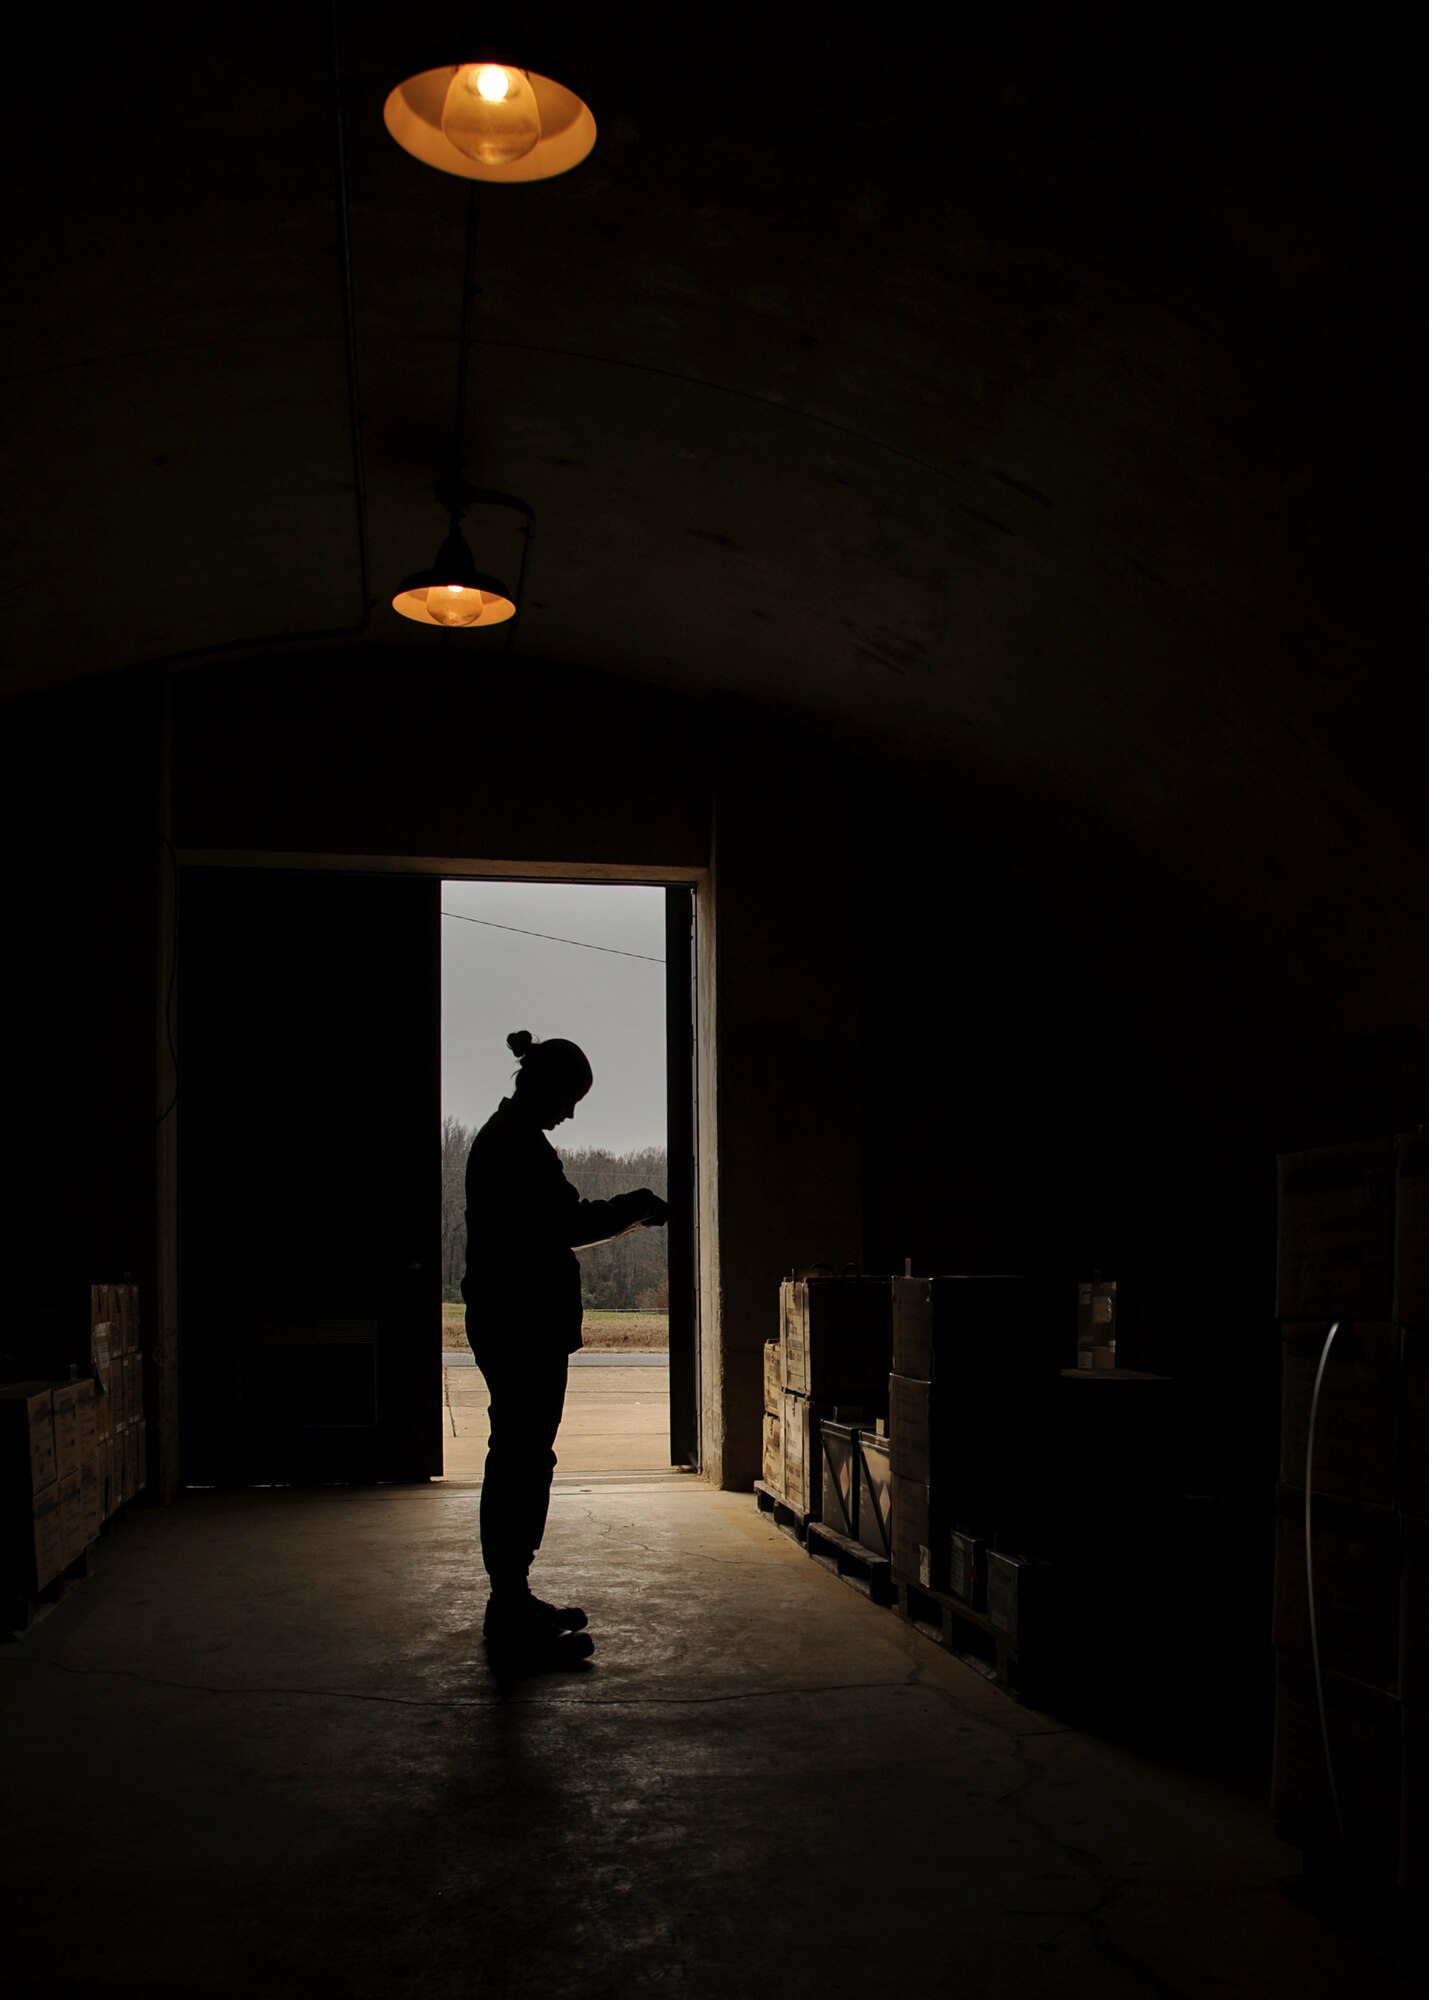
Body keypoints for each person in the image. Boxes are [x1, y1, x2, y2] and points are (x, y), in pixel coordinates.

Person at [462, 1029, 668, 1663]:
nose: (572, 1112)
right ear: (541, 1083)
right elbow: (565, 1225)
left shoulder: (514, 1141)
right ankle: (509, 1607)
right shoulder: (514, 1148)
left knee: (522, 1455)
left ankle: (512, 1597)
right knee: (521, 1458)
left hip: (518, 1324)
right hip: (519, 1326)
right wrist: (634, 1207)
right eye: (570, 1096)